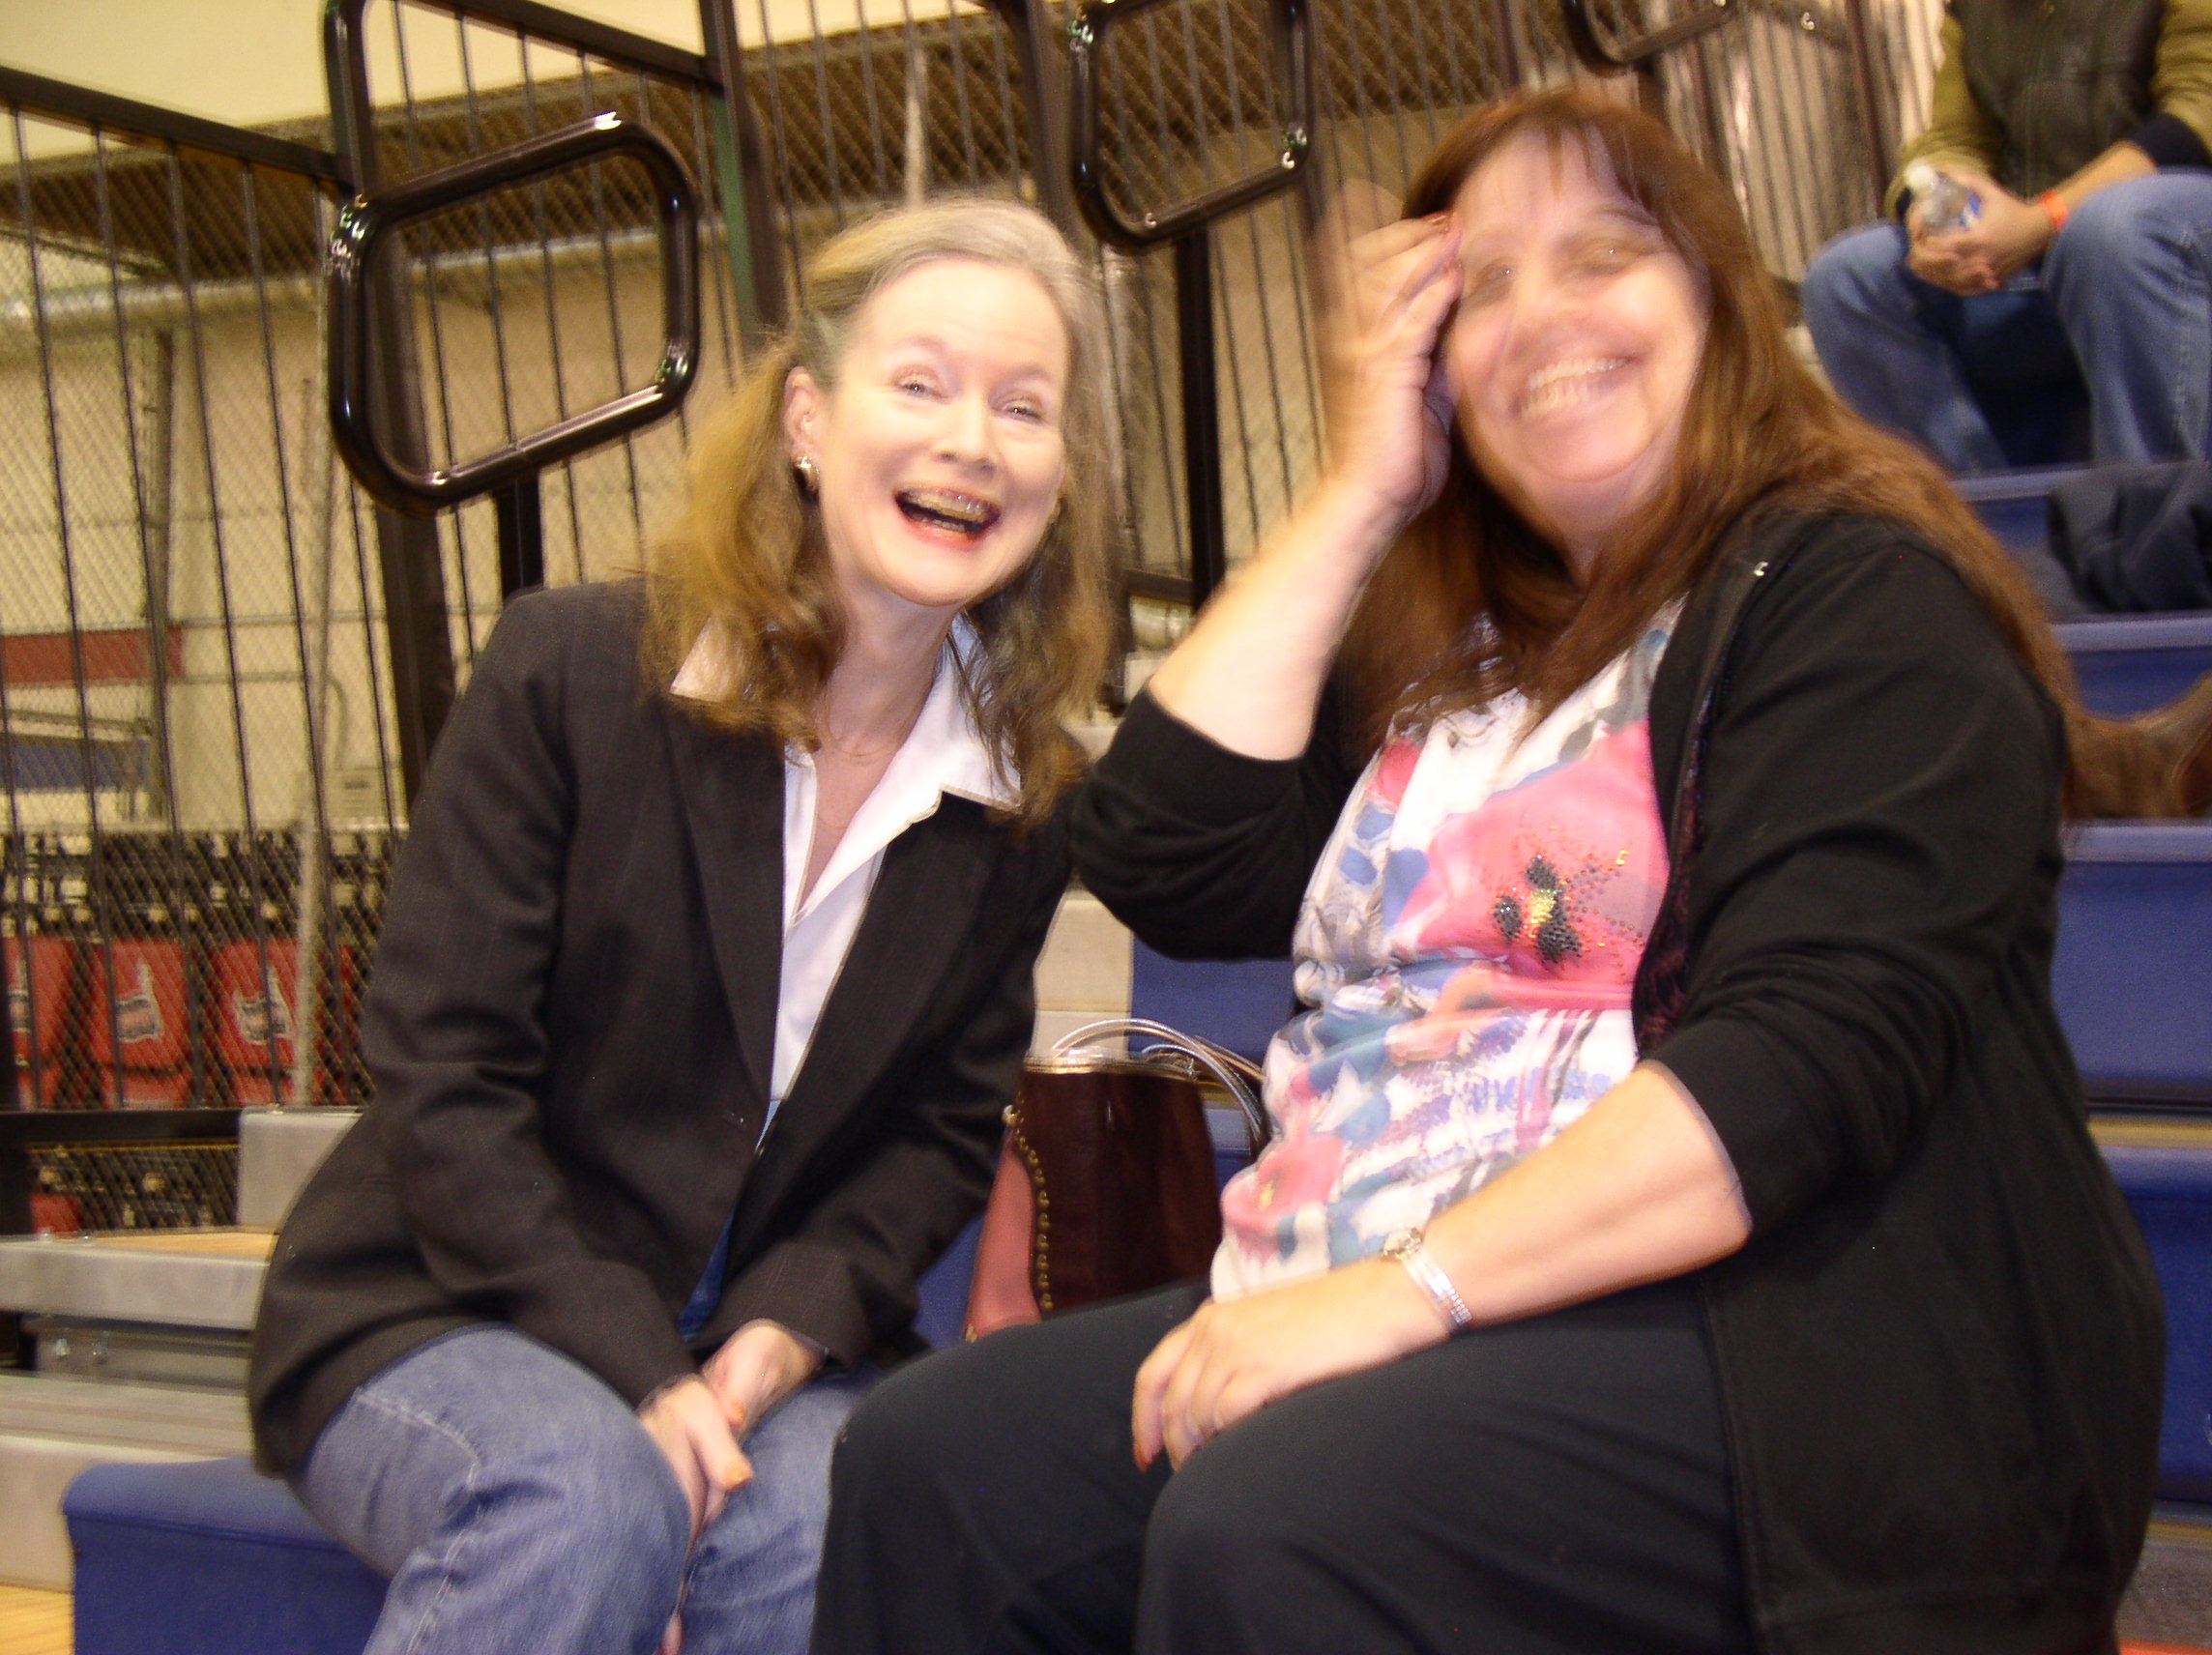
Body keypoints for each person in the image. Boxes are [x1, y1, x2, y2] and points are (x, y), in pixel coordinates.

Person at [812, 91, 2166, 1655]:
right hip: (1401, 1281)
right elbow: (1161, 849)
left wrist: (1399, 1288)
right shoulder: (1452, 650)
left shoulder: (1855, 586)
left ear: (1716, 302)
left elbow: (1803, 1062)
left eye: (1603, 255)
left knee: (1279, 1517)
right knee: (934, 1464)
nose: (1543, 318)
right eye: (1485, 287)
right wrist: (1359, 486)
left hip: (1793, 1347)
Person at [246, 197, 1115, 1655]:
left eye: (1023, 407)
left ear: (1058, 477)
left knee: (840, 1515)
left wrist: (768, 1348)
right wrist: (641, 1372)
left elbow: (933, 1138)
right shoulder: (572, 673)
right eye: (920, 383)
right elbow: (444, 1072)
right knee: (586, 1496)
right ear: (807, 421)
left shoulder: (1024, 798)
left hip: (756, 1333)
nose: (972, 439)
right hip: (450, 1302)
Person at [1799, 0, 2212, 472]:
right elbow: (1954, 139)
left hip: (2158, 230)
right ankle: (1969, 512)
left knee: (2110, 231)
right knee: (1847, 277)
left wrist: (2042, 220)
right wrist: (1934, 210)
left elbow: (2200, 109)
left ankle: (2156, 507)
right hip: (2051, 245)